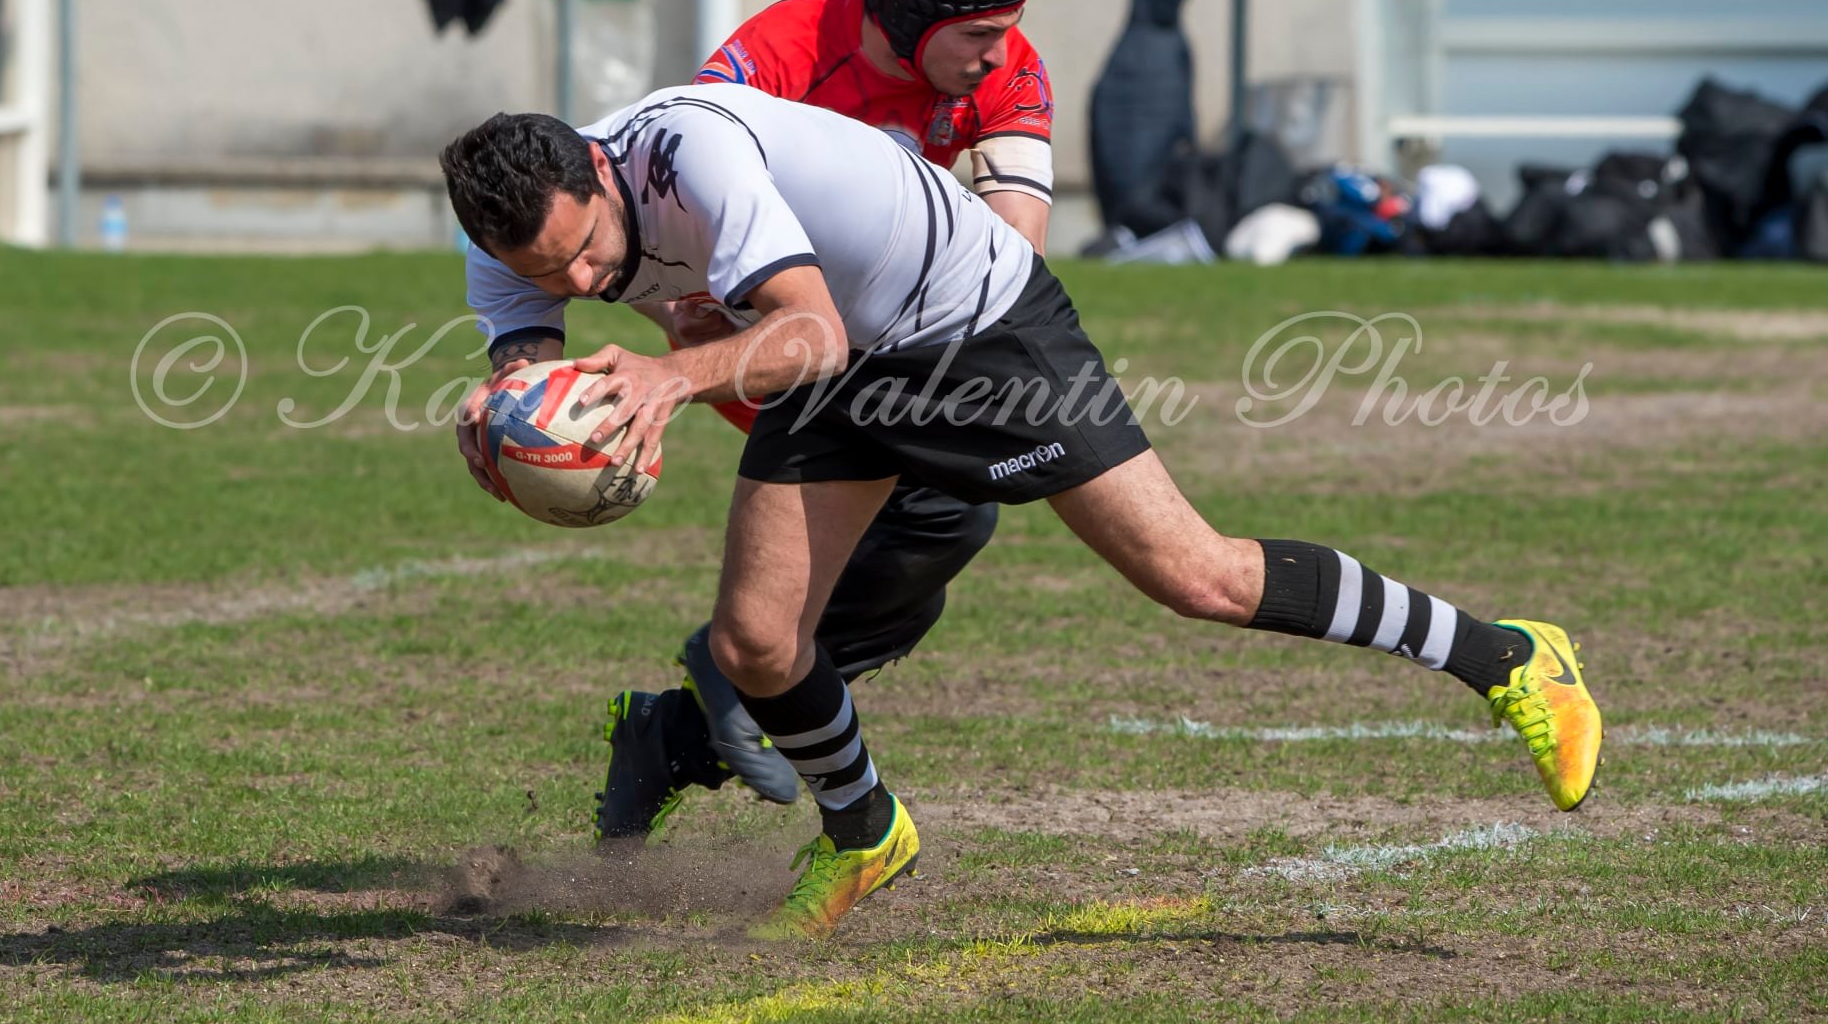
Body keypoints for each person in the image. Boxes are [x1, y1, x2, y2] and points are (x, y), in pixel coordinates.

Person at [437, 82, 1605, 939]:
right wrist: (501, 420)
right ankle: (865, 832)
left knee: (1195, 574)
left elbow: (810, 331)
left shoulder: (690, 156)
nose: (582, 284)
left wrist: (666, 376)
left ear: (598, 167)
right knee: (753, 639)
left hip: (971, 326)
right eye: (551, 273)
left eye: (588, 253)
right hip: (843, 357)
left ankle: (1508, 656)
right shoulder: (517, 243)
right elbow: (526, 362)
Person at [457, 0, 1058, 839]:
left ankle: (680, 725)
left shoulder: (998, 62)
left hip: (899, 329)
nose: (997, 48)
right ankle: (730, 696)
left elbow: (1015, 251)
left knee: (926, 552)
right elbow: (676, 211)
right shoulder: (774, 56)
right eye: (978, 27)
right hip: (768, 340)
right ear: (915, 15)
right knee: (917, 534)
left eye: (1005, 28)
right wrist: (514, 413)